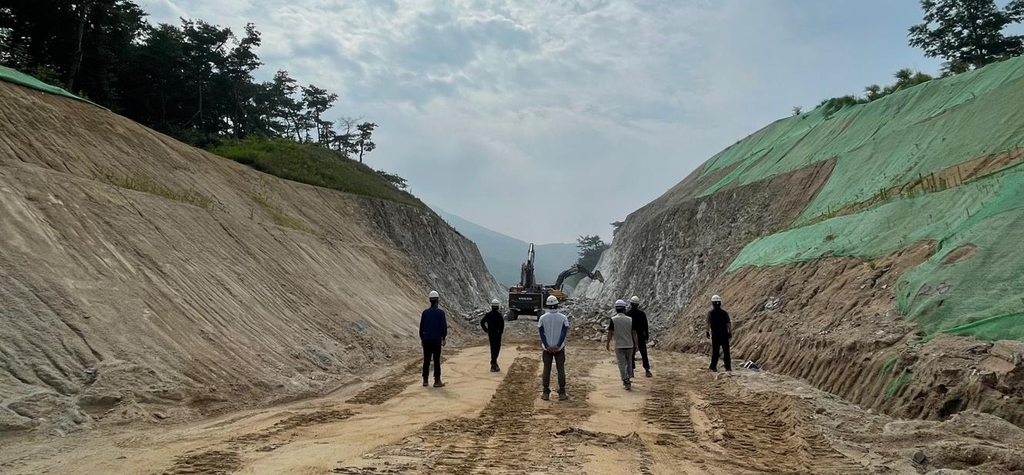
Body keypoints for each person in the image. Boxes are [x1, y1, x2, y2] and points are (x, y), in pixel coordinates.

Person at [538, 295, 569, 401]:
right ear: (557, 304)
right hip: (559, 348)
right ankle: (562, 392)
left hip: (547, 349)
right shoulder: (563, 318)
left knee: (547, 369)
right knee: (560, 369)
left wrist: (547, 346)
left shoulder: (542, 318)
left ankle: (546, 392)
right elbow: (564, 332)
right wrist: (558, 345)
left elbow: (542, 333)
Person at [607, 299, 639, 390]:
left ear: (616, 309)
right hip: (629, 344)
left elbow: (610, 332)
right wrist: (636, 344)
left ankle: (625, 380)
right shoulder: (630, 319)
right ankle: (628, 377)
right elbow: (634, 333)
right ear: (624, 308)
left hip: (619, 345)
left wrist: (608, 343)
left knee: (621, 363)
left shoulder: (613, 319)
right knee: (628, 363)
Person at [420, 290, 448, 387]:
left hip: (427, 340)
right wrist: (443, 337)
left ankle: (425, 380)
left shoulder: (425, 313)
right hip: (436, 340)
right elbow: (443, 326)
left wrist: (422, 339)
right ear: (437, 301)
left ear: (430, 300)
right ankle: (437, 381)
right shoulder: (440, 313)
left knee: (426, 360)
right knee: (436, 360)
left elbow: (421, 327)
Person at [626, 295, 652, 378]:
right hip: (640, 336)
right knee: (644, 353)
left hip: (631, 337)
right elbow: (645, 326)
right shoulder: (642, 314)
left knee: (631, 354)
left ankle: (632, 371)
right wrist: (646, 336)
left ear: (631, 303)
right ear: (638, 304)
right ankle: (647, 370)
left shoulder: (628, 314)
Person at [706, 294, 732, 372]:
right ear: (720, 303)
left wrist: (707, 332)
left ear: (712, 303)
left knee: (715, 352)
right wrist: (730, 332)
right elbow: (728, 323)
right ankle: (728, 367)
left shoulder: (711, 313)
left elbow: (708, 323)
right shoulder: (724, 313)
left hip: (716, 335)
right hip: (724, 334)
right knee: (726, 351)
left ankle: (713, 367)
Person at [481, 298, 505, 372]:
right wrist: (500, 332)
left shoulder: (488, 315)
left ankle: (494, 363)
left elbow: (482, 322)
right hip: (497, 334)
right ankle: (493, 363)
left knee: (492, 348)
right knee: (497, 349)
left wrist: (486, 330)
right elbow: (502, 325)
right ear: (498, 306)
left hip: (491, 333)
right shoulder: (499, 315)